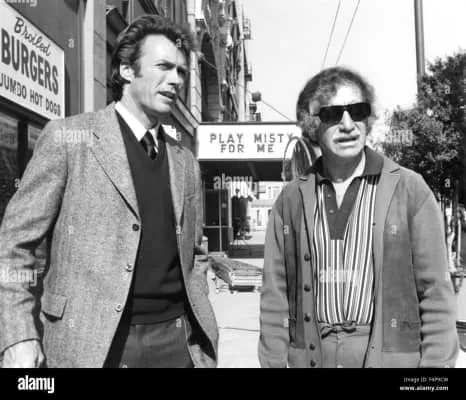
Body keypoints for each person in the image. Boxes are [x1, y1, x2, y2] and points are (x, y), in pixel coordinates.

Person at [0, 15, 218, 368]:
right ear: (127, 70)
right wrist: (18, 335)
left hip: (177, 344)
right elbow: (13, 244)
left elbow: (195, 251)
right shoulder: (69, 140)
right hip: (91, 345)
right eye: (164, 67)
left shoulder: (185, 162)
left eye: (181, 71)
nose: (176, 79)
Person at [259, 66, 459, 368]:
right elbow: (275, 296)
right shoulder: (291, 200)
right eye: (332, 114)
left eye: (357, 111)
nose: (348, 125)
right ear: (311, 124)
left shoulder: (409, 189)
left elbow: (436, 293)